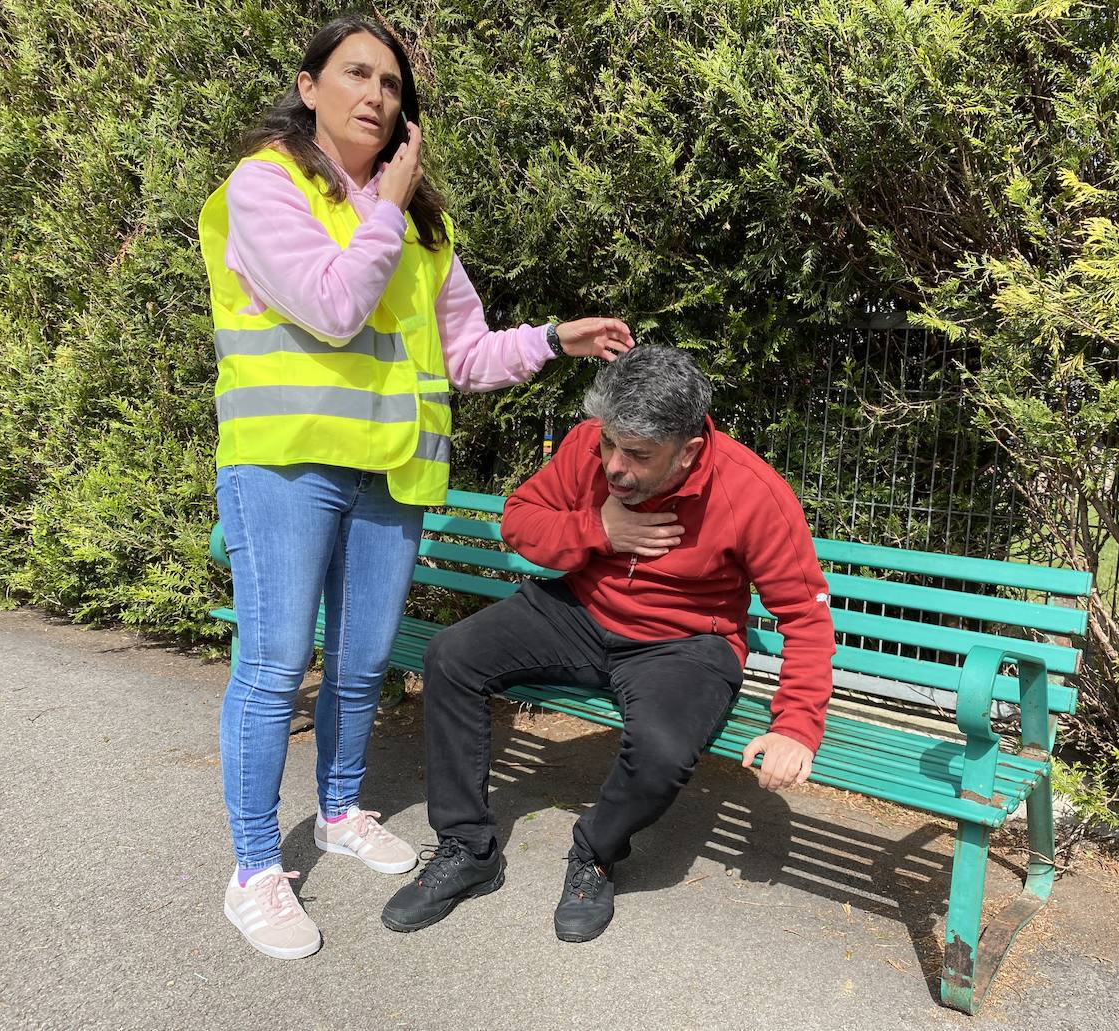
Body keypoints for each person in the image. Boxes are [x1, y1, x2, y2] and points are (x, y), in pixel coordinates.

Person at [196, 13, 633, 961]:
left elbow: (464, 349)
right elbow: (333, 303)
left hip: (391, 473)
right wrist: (385, 207)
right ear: (309, 86)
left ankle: (342, 810)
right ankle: (253, 869)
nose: (376, 96)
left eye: (391, 86)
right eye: (356, 75)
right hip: (284, 461)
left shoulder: (422, 222)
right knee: (274, 669)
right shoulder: (266, 185)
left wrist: (554, 339)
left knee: (359, 664)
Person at [381, 345, 837, 943]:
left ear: (689, 450)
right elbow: (519, 520)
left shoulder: (752, 493)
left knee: (663, 752)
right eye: (609, 445)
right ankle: (467, 849)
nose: (615, 466)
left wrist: (795, 725)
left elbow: (804, 613)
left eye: (639, 455)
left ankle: (595, 854)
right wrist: (597, 529)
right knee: (451, 657)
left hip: (684, 643)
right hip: (578, 610)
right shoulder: (588, 445)